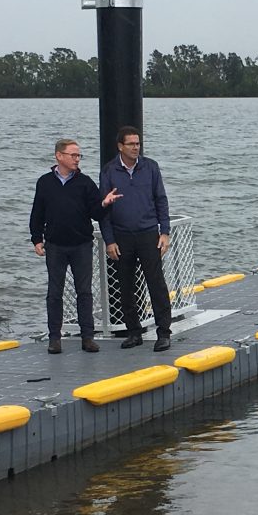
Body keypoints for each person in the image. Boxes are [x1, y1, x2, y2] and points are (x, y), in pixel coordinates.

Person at [29, 138, 112, 354]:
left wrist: (104, 204)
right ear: (59, 156)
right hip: (55, 245)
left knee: (84, 292)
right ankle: (54, 338)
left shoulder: (85, 182)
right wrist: (36, 239)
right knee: (54, 292)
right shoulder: (45, 182)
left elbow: (95, 212)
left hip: (81, 244)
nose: (77, 159)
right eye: (73, 155)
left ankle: (88, 337)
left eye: (79, 156)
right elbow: (37, 212)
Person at [99, 126, 173, 352]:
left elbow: (161, 199)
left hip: (148, 233)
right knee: (125, 286)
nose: (135, 147)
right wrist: (109, 240)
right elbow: (103, 209)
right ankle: (134, 332)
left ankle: (163, 333)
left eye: (138, 143)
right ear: (120, 146)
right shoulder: (109, 171)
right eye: (131, 144)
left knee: (156, 284)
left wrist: (165, 231)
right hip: (122, 236)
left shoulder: (150, 167)